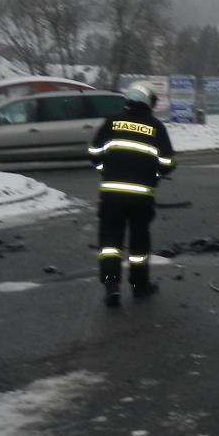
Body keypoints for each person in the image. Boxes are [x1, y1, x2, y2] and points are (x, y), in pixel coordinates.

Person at [89, 82, 175, 306]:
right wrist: (155, 176)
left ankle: (111, 286)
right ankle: (139, 286)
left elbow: (94, 152)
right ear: (149, 103)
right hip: (141, 198)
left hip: (111, 196)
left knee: (110, 243)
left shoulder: (111, 122)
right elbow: (168, 162)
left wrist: (104, 171)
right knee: (138, 244)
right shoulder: (156, 127)